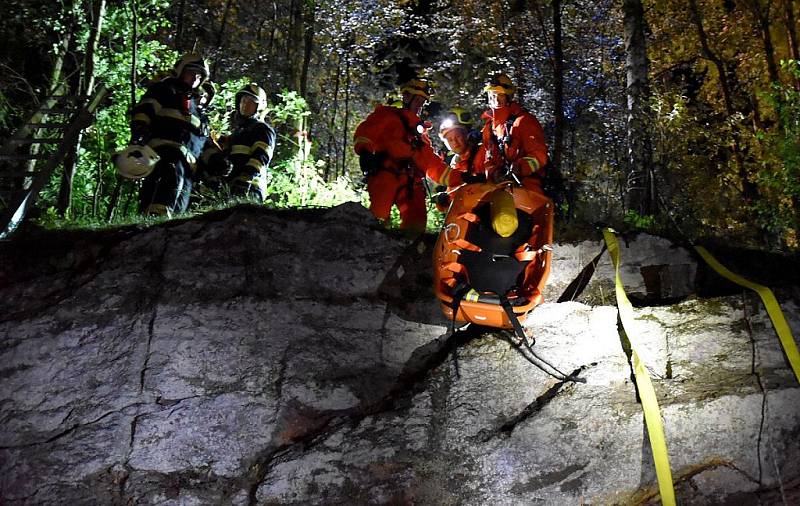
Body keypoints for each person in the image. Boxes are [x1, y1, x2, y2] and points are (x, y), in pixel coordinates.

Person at [353, 77, 449, 232]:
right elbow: (367, 132)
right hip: (386, 174)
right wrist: (364, 151)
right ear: (406, 97)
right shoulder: (388, 116)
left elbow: (432, 164)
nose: (419, 105)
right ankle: (371, 244)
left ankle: (410, 251)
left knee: (416, 222)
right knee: (379, 215)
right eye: (417, 99)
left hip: (411, 182)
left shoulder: (420, 135)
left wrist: (460, 178)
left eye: (422, 101)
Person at [130, 53, 211, 216]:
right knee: (160, 200)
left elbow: (205, 142)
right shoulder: (164, 90)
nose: (195, 78)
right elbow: (145, 110)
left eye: (199, 75)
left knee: (178, 210)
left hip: (188, 169)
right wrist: (140, 128)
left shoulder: (199, 114)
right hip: (164, 156)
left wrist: (215, 160)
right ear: (180, 70)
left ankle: (165, 236)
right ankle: (151, 229)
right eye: (191, 72)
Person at [476, 73, 548, 193]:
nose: (495, 99)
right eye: (492, 94)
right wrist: (494, 172)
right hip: (500, 190)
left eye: (500, 95)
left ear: (508, 97)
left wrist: (520, 167)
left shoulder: (524, 121)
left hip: (528, 189)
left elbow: (539, 155)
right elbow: (488, 160)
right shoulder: (489, 129)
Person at [223, 83, 276, 201]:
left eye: (251, 101)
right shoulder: (237, 133)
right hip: (232, 187)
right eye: (243, 100)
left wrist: (246, 177)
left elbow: (261, 156)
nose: (245, 104)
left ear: (259, 106)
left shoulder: (262, 129)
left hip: (251, 188)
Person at [431, 107, 481, 210]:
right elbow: (453, 200)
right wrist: (443, 200)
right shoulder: (454, 163)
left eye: (458, 136)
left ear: (466, 135)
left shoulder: (481, 153)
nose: (455, 142)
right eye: (450, 139)